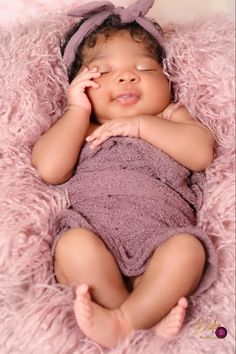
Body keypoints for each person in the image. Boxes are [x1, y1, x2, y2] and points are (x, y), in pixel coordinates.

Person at [31, 0, 218, 349]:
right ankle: (142, 318)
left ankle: (124, 320)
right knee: (72, 247)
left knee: (189, 250)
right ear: (79, 84)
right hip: (95, 237)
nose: (126, 75)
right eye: (101, 71)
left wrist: (139, 126)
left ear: (167, 78)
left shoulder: (170, 117)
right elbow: (50, 168)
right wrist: (75, 110)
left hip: (162, 239)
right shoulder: (82, 125)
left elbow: (201, 153)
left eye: (144, 67)